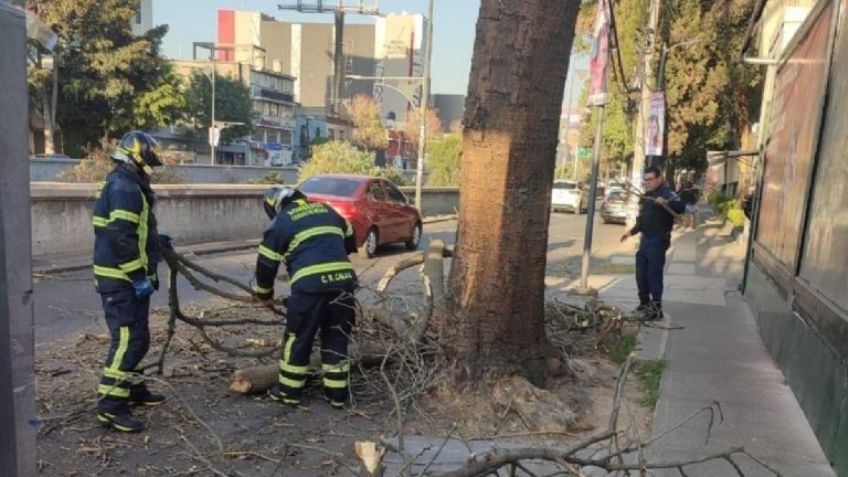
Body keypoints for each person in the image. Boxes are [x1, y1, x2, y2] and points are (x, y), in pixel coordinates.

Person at [92, 131, 170, 433]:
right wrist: (138, 276)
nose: (151, 164)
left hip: (128, 279)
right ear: (137, 155)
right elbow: (120, 237)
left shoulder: (126, 182)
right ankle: (111, 407)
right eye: (149, 157)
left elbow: (132, 231)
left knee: (139, 338)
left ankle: (133, 389)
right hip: (122, 280)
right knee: (127, 341)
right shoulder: (125, 187)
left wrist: (154, 242)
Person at [253, 187, 358, 409]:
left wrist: (264, 294)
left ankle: (289, 392)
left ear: (275, 206)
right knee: (337, 337)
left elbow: (266, 265)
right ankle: (337, 395)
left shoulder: (281, 223)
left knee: (298, 337)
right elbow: (350, 240)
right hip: (344, 285)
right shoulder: (327, 210)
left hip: (310, 289)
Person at [621, 166, 685, 320]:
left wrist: (666, 203)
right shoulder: (646, 197)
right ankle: (644, 303)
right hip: (645, 240)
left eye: (650, 179)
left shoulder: (668, 193)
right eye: (645, 180)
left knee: (653, 275)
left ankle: (656, 308)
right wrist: (631, 232)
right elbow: (642, 220)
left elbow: (681, 207)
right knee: (640, 273)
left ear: (659, 179)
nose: (647, 182)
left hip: (658, 239)